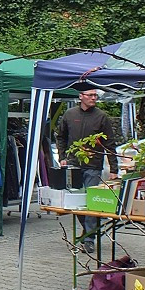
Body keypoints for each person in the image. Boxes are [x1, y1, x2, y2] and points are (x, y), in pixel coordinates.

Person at [56, 83, 118, 252]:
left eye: (95, 95)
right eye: (90, 95)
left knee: (92, 202)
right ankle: (87, 230)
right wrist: (62, 157)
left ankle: (89, 238)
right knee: (76, 203)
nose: (93, 98)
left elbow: (110, 143)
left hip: (93, 166)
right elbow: (60, 137)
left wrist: (114, 169)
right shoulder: (70, 115)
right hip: (73, 165)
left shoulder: (101, 117)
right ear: (80, 96)